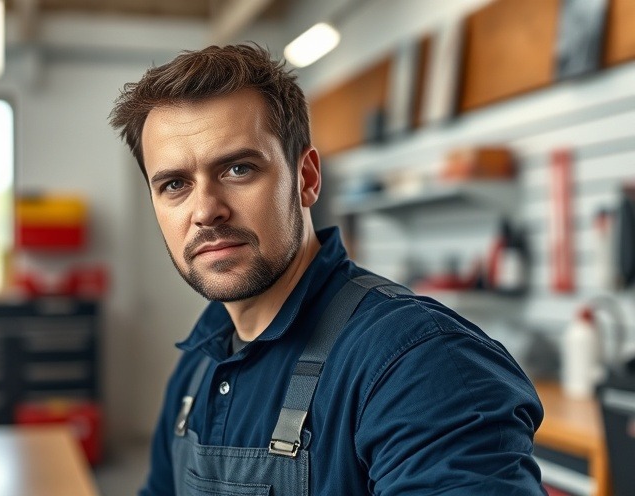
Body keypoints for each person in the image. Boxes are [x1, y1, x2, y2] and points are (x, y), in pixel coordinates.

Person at [109, 43, 545, 495]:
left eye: (238, 169)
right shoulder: (199, 365)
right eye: (174, 184)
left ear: (307, 179)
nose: (206, 211)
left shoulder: (420, 364)